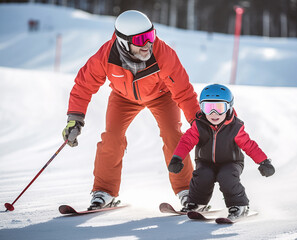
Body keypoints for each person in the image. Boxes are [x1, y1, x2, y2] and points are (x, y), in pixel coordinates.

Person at [62, 10, 200, 210]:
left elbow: (184, 92)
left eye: (151, 36)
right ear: (123, 41)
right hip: (123, 97)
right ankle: (104, 191)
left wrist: (198, 122)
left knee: (173, 136)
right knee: (111, 137)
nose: (147, 44)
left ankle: (187, 191)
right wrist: (74, 119)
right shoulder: (106, 56)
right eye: (140, 39)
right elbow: (84, 85)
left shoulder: (164, 55)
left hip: (162, 95)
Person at [168, 84, 275, 219]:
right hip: (205, 162)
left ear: (229, 107)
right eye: (208, 108)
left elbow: (249, 145)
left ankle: (239, 205)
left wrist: (264, 162)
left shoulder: (235, 127)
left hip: (231, 162)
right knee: (202, 175)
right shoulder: (198, 125)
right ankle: (197, 203)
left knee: (227, 177)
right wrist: (177, 158)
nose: (214, 114)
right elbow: (186, 141)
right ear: (201, 108)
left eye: (219, 108)